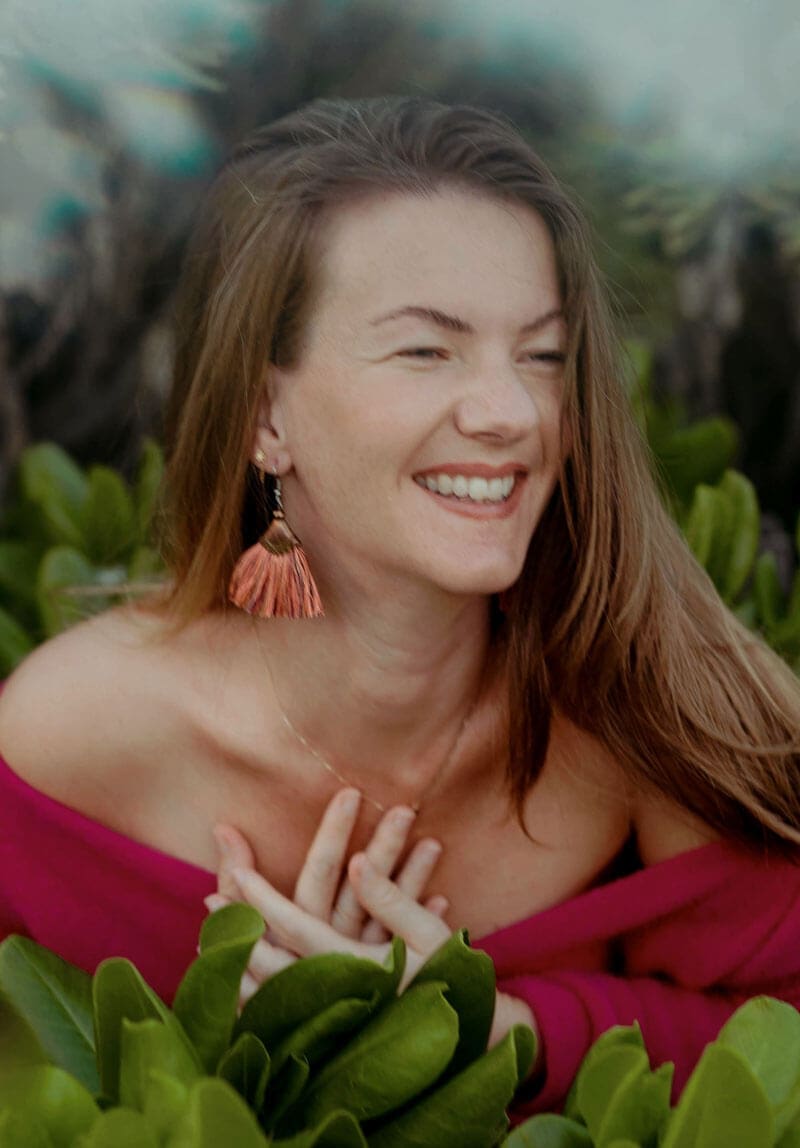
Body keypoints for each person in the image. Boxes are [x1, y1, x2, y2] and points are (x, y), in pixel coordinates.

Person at [1, 96, 799, 1119]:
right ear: (263, 414)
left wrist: (499, 1030)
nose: (509, 412)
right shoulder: (75, 735)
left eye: (542, 356)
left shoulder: (638, 712)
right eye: (426, 349)